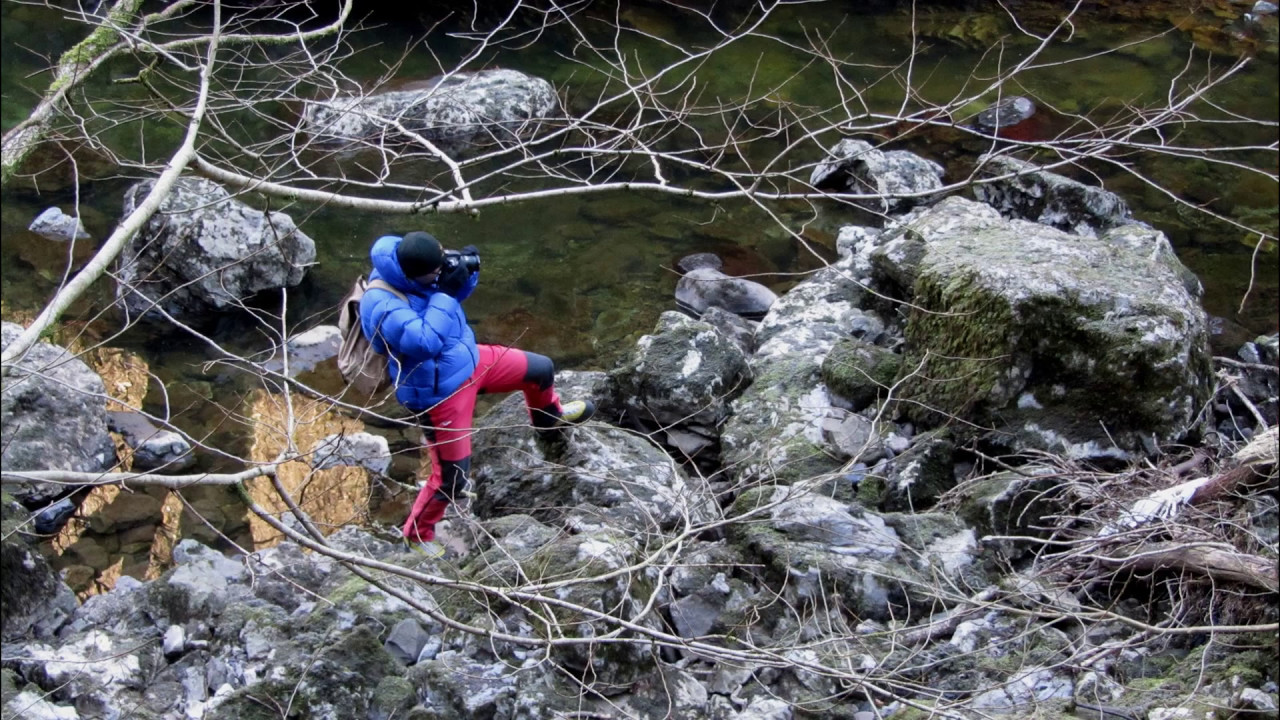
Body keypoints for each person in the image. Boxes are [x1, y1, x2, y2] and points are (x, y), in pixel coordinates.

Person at [358, 230, 594, 551]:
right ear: (415, 274)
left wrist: (466, 274)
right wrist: (445, 292)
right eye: (436, 272)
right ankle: (416, 535)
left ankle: (548, 420)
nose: (440, 274)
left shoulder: (424, 273)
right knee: (453, 477)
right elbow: (424, 342)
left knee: (540, 370)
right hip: (438, 393)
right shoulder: (381, 303)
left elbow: (454, 299)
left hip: (470, 361)